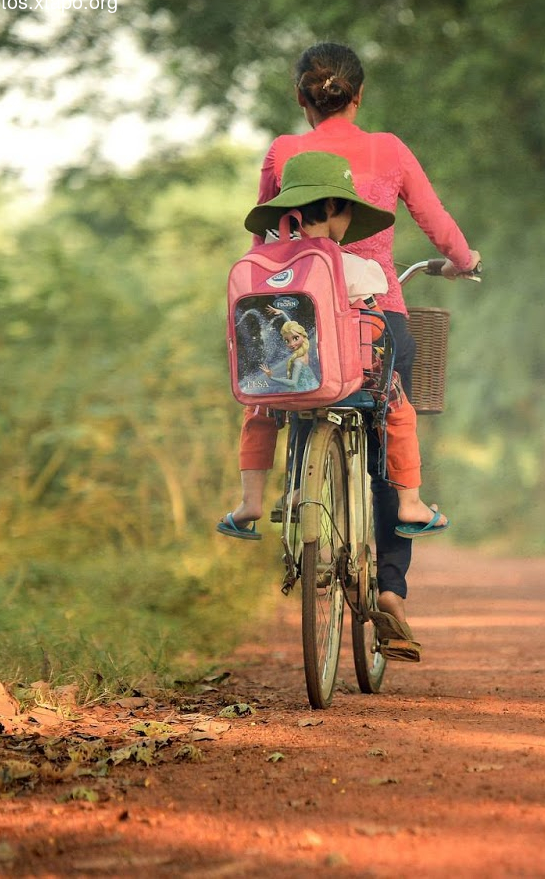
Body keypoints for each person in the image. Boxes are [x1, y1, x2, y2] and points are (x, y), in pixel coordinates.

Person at [226, 41, 480, 658]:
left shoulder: (285, 152)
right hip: (375, 321)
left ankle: (293, 495)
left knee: (289, 393)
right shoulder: (388, 150)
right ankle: (390, 588)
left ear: (301, 99)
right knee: (386, 429)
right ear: (358, 95)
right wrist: (463, 260)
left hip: (303, 320)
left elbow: (263, 226)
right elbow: (434, 216)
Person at [216, 151, 444, 662]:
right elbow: (375, 301)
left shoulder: (264, 268)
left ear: (287, 214)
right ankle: (409, 501)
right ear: (339, 210)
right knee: (396, 406)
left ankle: (252, 502)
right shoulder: (359, 266)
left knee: (257, 414)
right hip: (346, 384)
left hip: (284, 387)